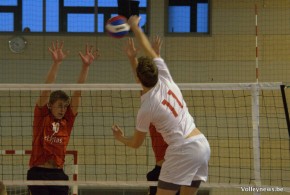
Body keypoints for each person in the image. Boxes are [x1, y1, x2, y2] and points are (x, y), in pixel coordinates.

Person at [112, 15, 210, 195]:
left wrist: (120, 138)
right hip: (202, 145)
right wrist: (136, 27)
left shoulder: (147, 107)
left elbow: (135, 144)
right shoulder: (165, 77)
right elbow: (150, 51)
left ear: (138, 78)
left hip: (183, 149)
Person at [27, 40, 99, 195]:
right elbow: (46, 90)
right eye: (59, 105)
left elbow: (78, 92)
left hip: (58, 174)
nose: (63, 109)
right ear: (50, 105)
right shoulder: (42, 116)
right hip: (38, 173)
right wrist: (56, 63)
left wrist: (86, 67)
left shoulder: (67, 121)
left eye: (65, 106)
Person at [123, 35, 179, 195]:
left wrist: (120, 138)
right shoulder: (167, 90)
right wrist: (155, 55)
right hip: (173, 166)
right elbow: (143, 81)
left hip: (168, 169)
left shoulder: (150, 106)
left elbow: (142, 82)